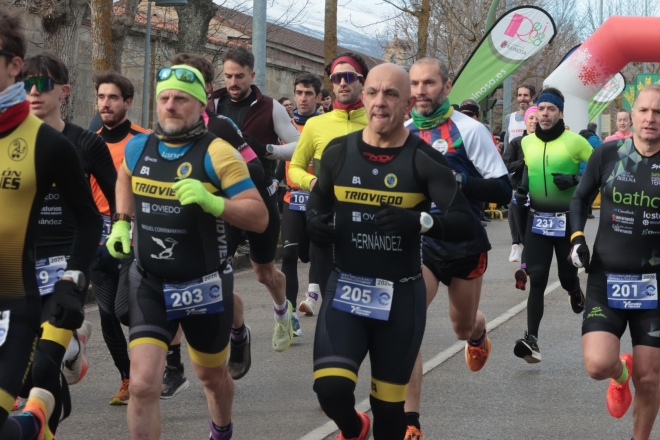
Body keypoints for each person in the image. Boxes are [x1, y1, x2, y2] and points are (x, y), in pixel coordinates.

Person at [307, 62, 477, 440]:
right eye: (372, 92)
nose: (379, 101)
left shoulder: (425, 159)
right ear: (363, 97)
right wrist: (314, 223)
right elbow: (317, 204)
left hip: (400, 297)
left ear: (408, 106)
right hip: (346, 289)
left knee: (389, 416)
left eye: (391, 94)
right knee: (330, 390)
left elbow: (466, 222)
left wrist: (419, 222)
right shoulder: (337, 152)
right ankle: (354, 428)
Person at [105, 64, 267, 440]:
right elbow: (125, 176)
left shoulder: (218, 153)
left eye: (180, 99)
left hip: (204, 284)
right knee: (142, 384)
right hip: (150, 281)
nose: (170, 106)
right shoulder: (139, 146)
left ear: (200, 105)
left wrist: (214, 203)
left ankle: (221, 431)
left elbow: (259, 217)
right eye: (164, 98)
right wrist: (122, 222)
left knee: (211, 377)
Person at [0, 7, 102, 439]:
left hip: (15, 303)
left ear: (13, 65)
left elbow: (90, 220)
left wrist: (73, 279)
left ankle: (38, 411)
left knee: (37, 374)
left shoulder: (50, 144)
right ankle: (37, 419)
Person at [404, 58, 512, 439]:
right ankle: (410, 422)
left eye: (429, 83)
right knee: (406, 323)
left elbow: (503, 190)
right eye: (414, 83)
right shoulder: (401, 132)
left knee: (461, 327)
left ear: (447, 87)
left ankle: (478, 332)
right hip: (421, 241)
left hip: (464, 241)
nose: (420, 91)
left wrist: (460, 180)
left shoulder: (470, 130)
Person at [21, 50, 117, 434]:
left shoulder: (84, 143)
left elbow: (117, 197)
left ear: (64, 90)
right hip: (20, 267)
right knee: (29, 374)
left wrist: (121, 236)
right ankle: (72, 351)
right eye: (25, 84)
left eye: (42, 84)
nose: (33, 92)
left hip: (67, 263)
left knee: (43, 366)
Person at [164, 52, 264, 386]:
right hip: (176, 220)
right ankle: (173, 365)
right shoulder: (165, 124)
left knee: (214, 290)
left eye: (187, 82)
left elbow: (256, 168)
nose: (175, 95)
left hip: (218, 216)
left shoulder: (220, 126)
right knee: (173, 282)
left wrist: (218, 184)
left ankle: (238, 333)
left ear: (206, 88)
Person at [571, 83, 660, 440]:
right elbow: (580, 199)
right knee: (598, 365)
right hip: (606, 278)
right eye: (644, 110)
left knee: (649, 378)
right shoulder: (608, 154)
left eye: (658, 112)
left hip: (655, 286)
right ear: (632, 114)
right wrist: (577, 239)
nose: (651, 118)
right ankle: (620, 374)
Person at [209, 46, 300, 353]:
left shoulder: (270, 107)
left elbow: (298, 145)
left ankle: (282, 313)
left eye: (239, 76)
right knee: (216, 269)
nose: (233, 82)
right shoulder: (213, 104)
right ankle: (236, 327)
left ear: (252, 75)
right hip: (225, 198)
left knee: (264, 273)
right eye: (228, 76)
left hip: (260, 197)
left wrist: (266, 150)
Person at [512, 87, 593, 363]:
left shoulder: (575, 142)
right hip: (537, 220)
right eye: (541, 109)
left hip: (567, 221)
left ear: (561, 113)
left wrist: (574, 180)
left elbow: (601, 170)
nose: (545, 114)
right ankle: (531, 339)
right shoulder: (527, 142)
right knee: (537, 279)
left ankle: (574, 289)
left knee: (567, 276)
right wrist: (522, 189)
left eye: (551, 109)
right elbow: (529, 169)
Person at [289, 52, 369, 309]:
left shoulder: (378, 121)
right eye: (336, 78)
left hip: (369, 225)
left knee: (368, 305)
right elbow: (295, 168)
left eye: (349, 77)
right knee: (332, 303)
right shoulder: (316, 125)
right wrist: (314, 184)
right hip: (327, 222)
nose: (342, 83)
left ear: (362, 81)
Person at [92, 71, 150, 405]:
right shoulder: (88, 141)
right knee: (106, 313)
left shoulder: (143, 141)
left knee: (125, 310)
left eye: (113, 97)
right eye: (101, 97)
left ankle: (158, 354)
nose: (106, 103)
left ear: (127, 102)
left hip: (134, 231)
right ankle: (128, 378)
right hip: (97, 236)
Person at [279, 73, 322, 337]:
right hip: (291, 198)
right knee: (289, 255)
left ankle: (315, 294)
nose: (302, 98)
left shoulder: (324, 125)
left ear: (318, 97)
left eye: (308, 93)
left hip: (318, 199)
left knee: (312, 254)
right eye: (299, 93)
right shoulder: (285, 126)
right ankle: (290, 314)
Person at [504, 105, 537, 265]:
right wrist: (522, 162)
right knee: (515, 211)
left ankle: (530, 255)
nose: (534, 121)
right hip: (518, 186)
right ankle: (515, 244)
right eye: (531, 118)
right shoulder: (517, 142)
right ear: (525, 121)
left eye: (537, 118)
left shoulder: (545, 143)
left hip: (538, 188)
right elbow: (506, 164)